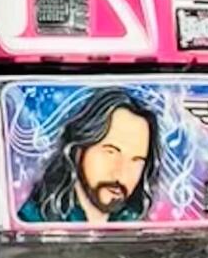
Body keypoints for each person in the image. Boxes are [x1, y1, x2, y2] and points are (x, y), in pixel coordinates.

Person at [16, 91, 162, 225]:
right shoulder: (34, 220)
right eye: (110, 152)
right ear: (77, 149)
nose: (121, 174)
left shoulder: (135, 224)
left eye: (136, 160)